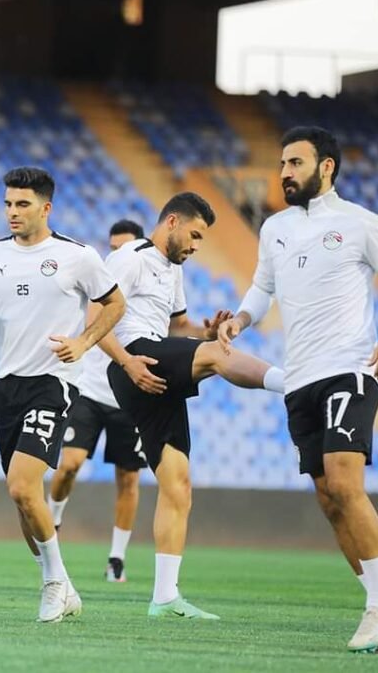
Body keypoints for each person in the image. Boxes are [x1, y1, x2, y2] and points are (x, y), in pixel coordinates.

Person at [219, 126, 378, 652]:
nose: (284, 173)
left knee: (345, 484)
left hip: (350, 369)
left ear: (326, 167)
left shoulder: (360, 223)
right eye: (282, 163)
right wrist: (240, 319)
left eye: (295, 163)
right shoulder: (274, 228)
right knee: (329, 499)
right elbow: (262, 287)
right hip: (299, 378)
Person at [100, 191, 285, 621]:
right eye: (195, 235)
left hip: (155, 363)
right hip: (135, 358)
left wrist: (206, 332)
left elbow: (177, 326)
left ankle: (165, 598)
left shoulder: (172, 270)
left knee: (178, 486)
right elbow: (95, 320)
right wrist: (127, 363)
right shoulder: (130, 258)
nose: (197, 245)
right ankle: (293, 383)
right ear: (172, 222)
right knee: (219, 357)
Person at [0, 167, 126, 622]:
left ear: (46, 208)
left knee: (21, 484)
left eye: (23, 204)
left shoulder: (77, 256)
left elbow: (116, 303)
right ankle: (61, 583)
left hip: (52, 383)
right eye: (8, 204)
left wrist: (84, 343)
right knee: (22, 497)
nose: (12, 212)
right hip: (5, 386)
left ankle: (54, 583)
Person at [47, 219, 146, 583]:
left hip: (129, 398)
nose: (117, 254)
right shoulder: (100, 287)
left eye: (124, 248)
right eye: (113, 248)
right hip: (90, 390)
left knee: (128, 478)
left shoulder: (150, 291)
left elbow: (177, 325)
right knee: (69, 464)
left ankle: (116, 558)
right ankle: (52, 520)